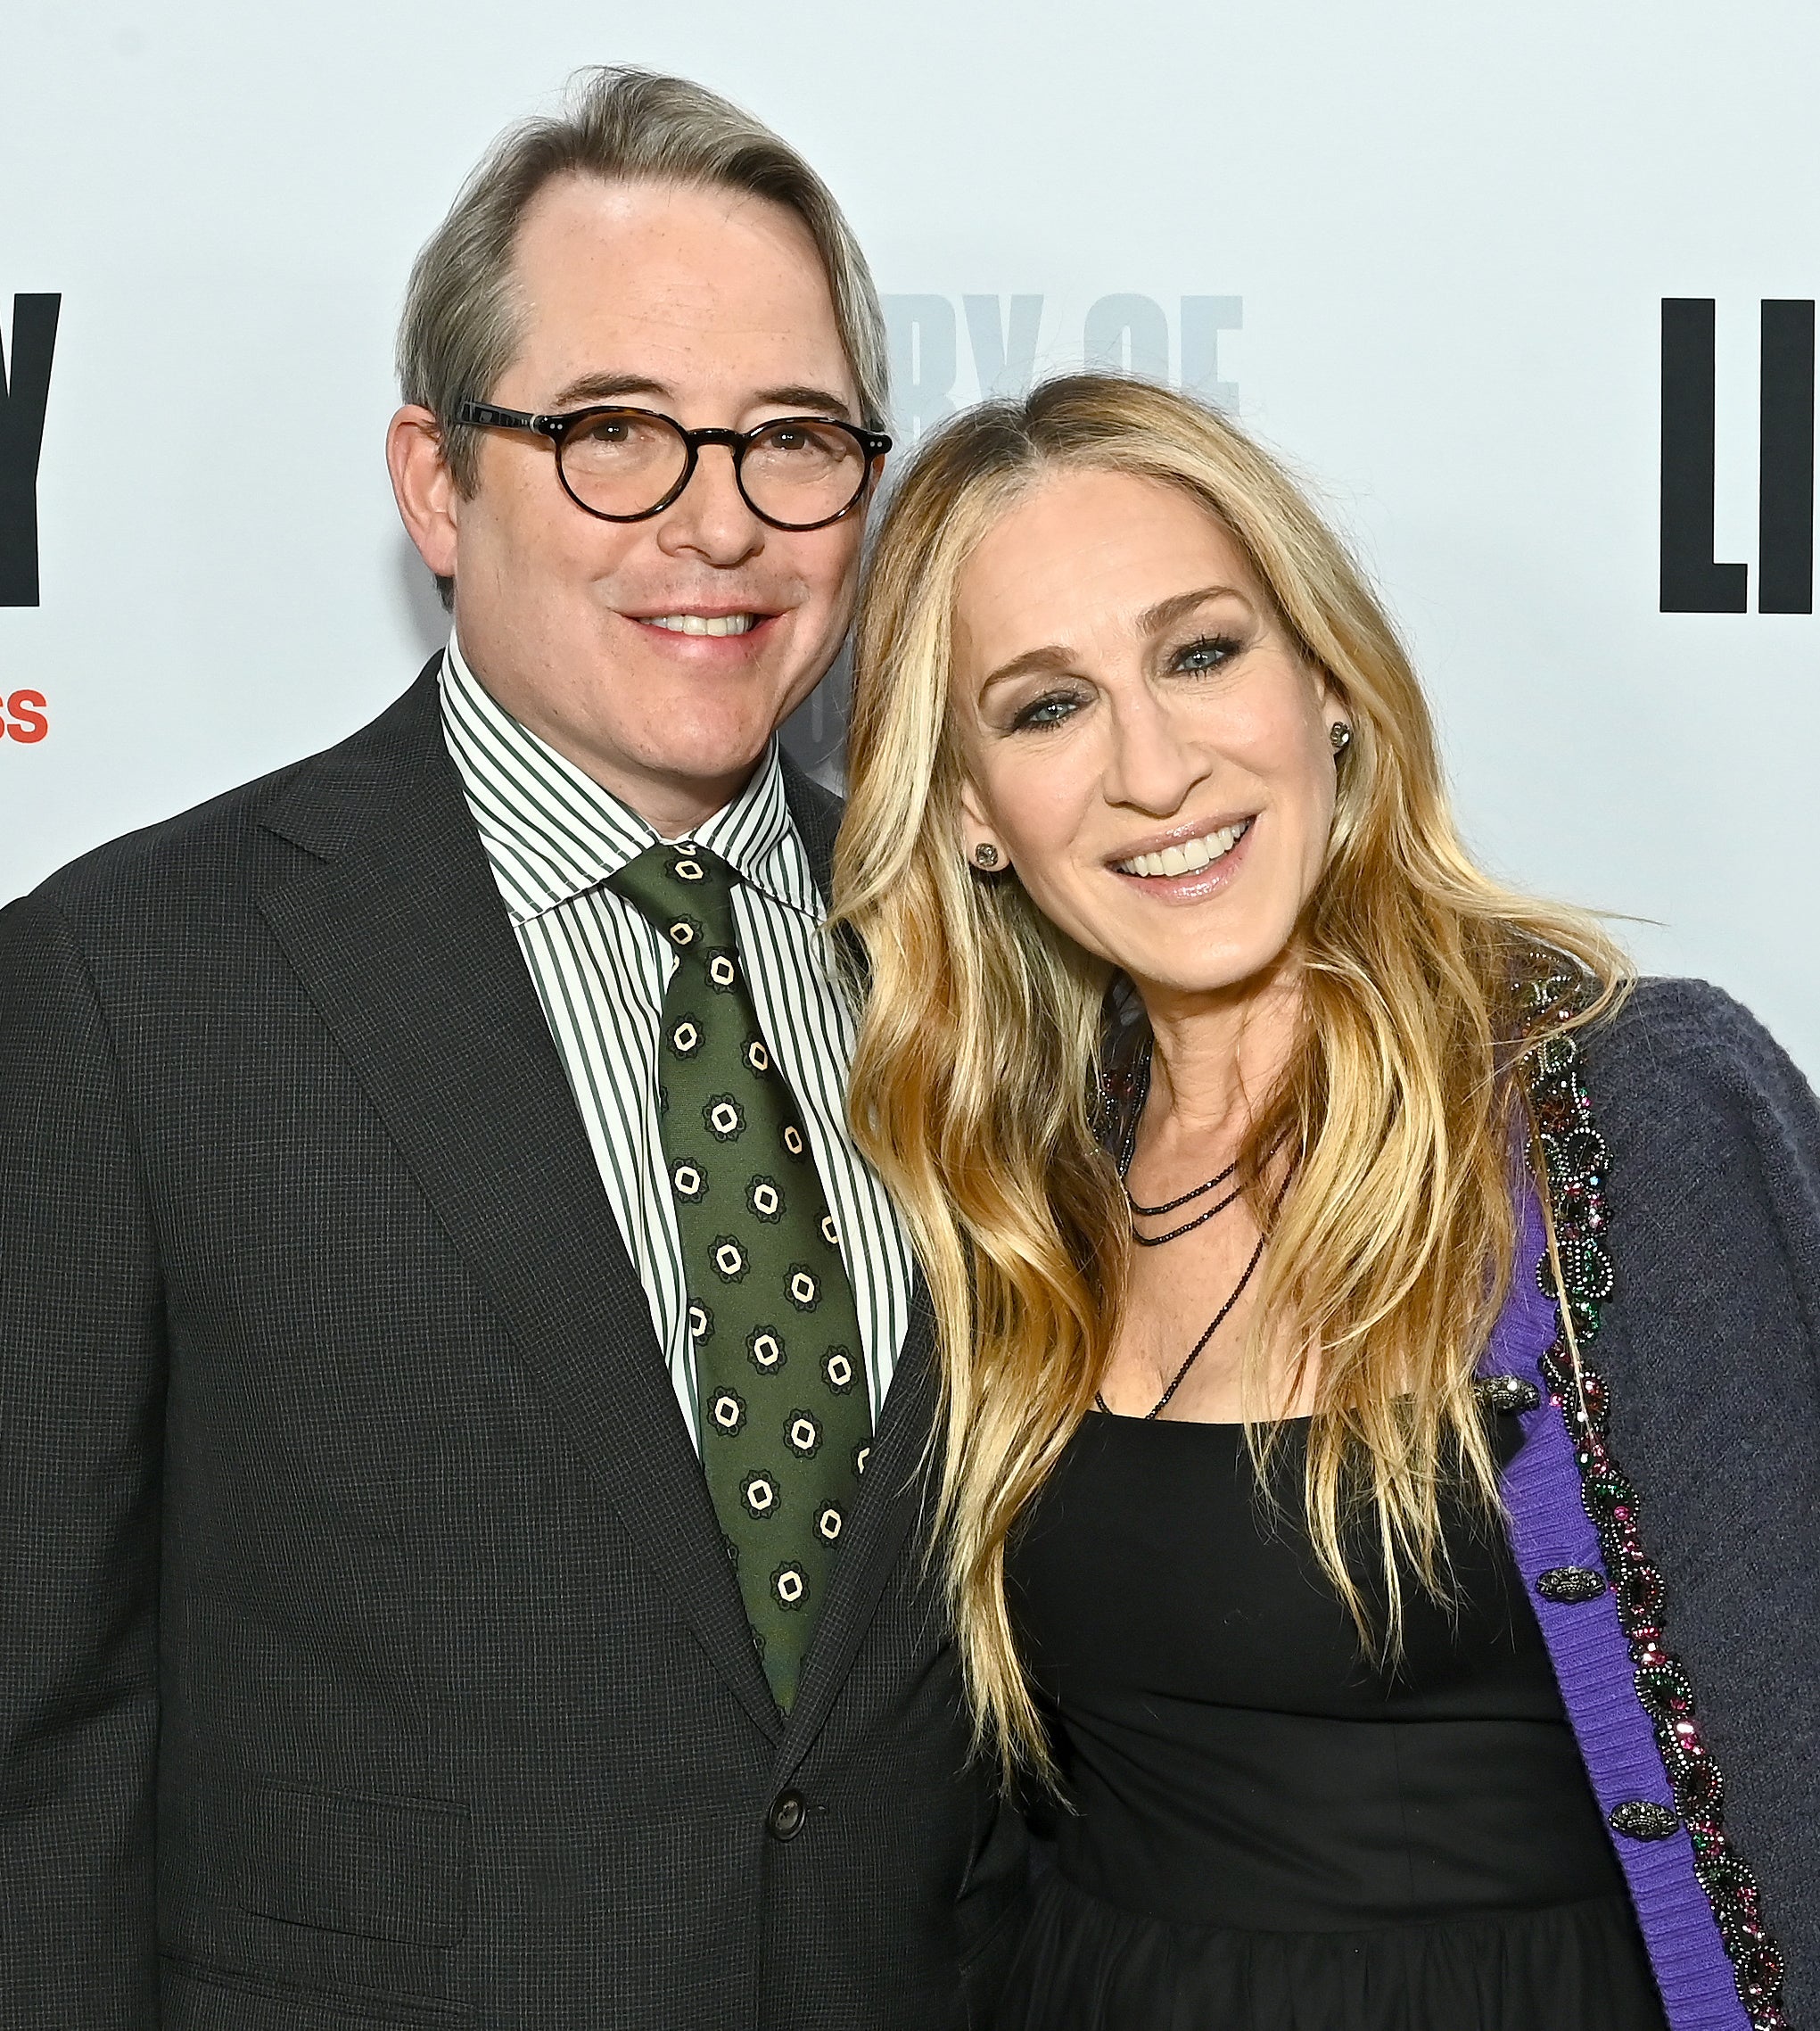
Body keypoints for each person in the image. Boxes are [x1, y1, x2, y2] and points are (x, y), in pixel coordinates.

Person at [0, 70, 1025, 2031]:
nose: (717, 522)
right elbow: (32, 1756)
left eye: (793, 439)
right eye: (612, 433)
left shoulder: (984, 962)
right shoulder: (122, 989)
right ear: (435, 479)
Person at [833, 373, 1816, 2030]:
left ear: (1328, 686)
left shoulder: (1629, 1110)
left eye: (1200, 652)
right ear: (968, 815)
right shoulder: (1000, 1184)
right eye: (1045, 707)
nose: (1153, 766)